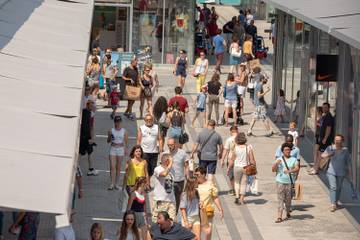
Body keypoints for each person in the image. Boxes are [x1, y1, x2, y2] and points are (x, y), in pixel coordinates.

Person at [322, 134, 352, 212]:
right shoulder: (330, 148)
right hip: (331, 171)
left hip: (341, 172)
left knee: (338, 188)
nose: (337, 141)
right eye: (336, 140)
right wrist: (329, 154)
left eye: (339, 140)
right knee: (333, 187)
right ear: (334, 140)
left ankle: (336, 201)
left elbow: (348, 162)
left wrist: (350, 172)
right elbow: (322, 155)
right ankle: (333, 204)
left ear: (342, 141)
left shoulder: (345, 150)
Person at [272, 143, 300, 223]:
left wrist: (289, 171)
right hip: (280, 182)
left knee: (288, 199)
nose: (288, 151)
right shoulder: (279, 159)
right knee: (280, 199)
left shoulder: (293, 159)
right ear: (282, 151)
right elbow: (273, 170)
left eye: (289, 150)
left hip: (290, 182)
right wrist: (276, 164)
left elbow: (297, 168)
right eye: (286, 150)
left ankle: (287, 212)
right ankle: (279, 217)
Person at [194, 167, 224, 240]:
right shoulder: (194, 184)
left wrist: (220, 209)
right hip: (196, 212)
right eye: (195, 175)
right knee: (197, 234)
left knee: (208, 232)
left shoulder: (210, 184)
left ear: (203, 175)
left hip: (207, 212)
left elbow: (215, 197)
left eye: (198, 175)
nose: (196, 177)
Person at [227, 132, 256, 204]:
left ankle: (237, 196)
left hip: (237, 167)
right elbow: (252, 159)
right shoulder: (248, 147)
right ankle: (242, 199)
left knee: (237, 182)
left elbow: (232, 160)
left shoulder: (235, 148)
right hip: (246, 168)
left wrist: (228, 168)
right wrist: (254, 167)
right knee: (244, 183)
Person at [309, 102, 335, 175]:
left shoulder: (329, 117)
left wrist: (325, 138)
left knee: (320, 154)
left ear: (329, 108)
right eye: (323, 107)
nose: (324, 109)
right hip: (321, 138)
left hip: (325, 140)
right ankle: (315, 167)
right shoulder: (324, 116)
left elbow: (328, 128)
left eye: (325, 107)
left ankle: (316, 169)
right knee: (318, 153)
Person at [166, 138, 189, 213]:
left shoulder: (182, 153)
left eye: (171, 145)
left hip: (180, 180)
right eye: (168, 145)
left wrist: (187, 177)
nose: (169, 147)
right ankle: (168, 212)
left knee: (177, 198)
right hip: (168, 179)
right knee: (168, 197)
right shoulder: (165, 153)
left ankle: (175, 212)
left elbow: (186, 166)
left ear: (175, 144)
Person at [152, 154, 176, 223]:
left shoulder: (172, 170)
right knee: (158, 223)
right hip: (160, 201)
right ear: (167, 161)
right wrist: (170, 164)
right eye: (171, 161)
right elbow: (164, 174)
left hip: (171, 201)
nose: (172, 162)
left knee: (171, 223)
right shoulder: (157, 169)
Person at [107, 116, 129, 190]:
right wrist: (110, 137)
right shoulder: (111, 130)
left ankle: (117, 184)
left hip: (120, 149)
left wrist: (126, 149)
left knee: (118, 167)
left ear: (121, 122)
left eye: (119, 121)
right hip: (113, 148)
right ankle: (112, 183)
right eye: (116, 121)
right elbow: (108, 141)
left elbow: (126, 141)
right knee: (112, 166)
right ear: (114, 122)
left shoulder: (124, 131)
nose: (118, 123)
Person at [80, 99, 98, 176]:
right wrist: (90, 139)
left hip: (84, 136)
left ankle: (91, 169)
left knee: (88, 152)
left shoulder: (87, 112)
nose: (95, 108)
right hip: (86, 137)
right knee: (82, 153)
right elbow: (88, 127)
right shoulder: (88, 114)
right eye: (93, 106)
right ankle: (75, 167)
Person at [220, 126, 239, 195]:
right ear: (237, 131)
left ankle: (233, 189)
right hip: (240, 160)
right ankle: (239, 189)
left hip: (230, 159)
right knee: (239, 176)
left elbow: (225, 150)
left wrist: (222, 160)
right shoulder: (241, 139)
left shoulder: (229, 139)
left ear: (231, 132)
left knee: (231, 176)